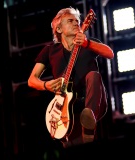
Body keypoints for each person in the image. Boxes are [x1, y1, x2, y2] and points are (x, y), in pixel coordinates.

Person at [28, 7, 114, 148]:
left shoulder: (89, 43)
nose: (76, 23)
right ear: (59, 29)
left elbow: (109, 53)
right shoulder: (50, 50)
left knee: (93, 75)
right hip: (66, 107)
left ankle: (89, 117)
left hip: (90, 101)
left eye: (78, 21)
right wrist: (46, 85)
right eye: (70, 20)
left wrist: (87, 43)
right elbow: (32, 80)